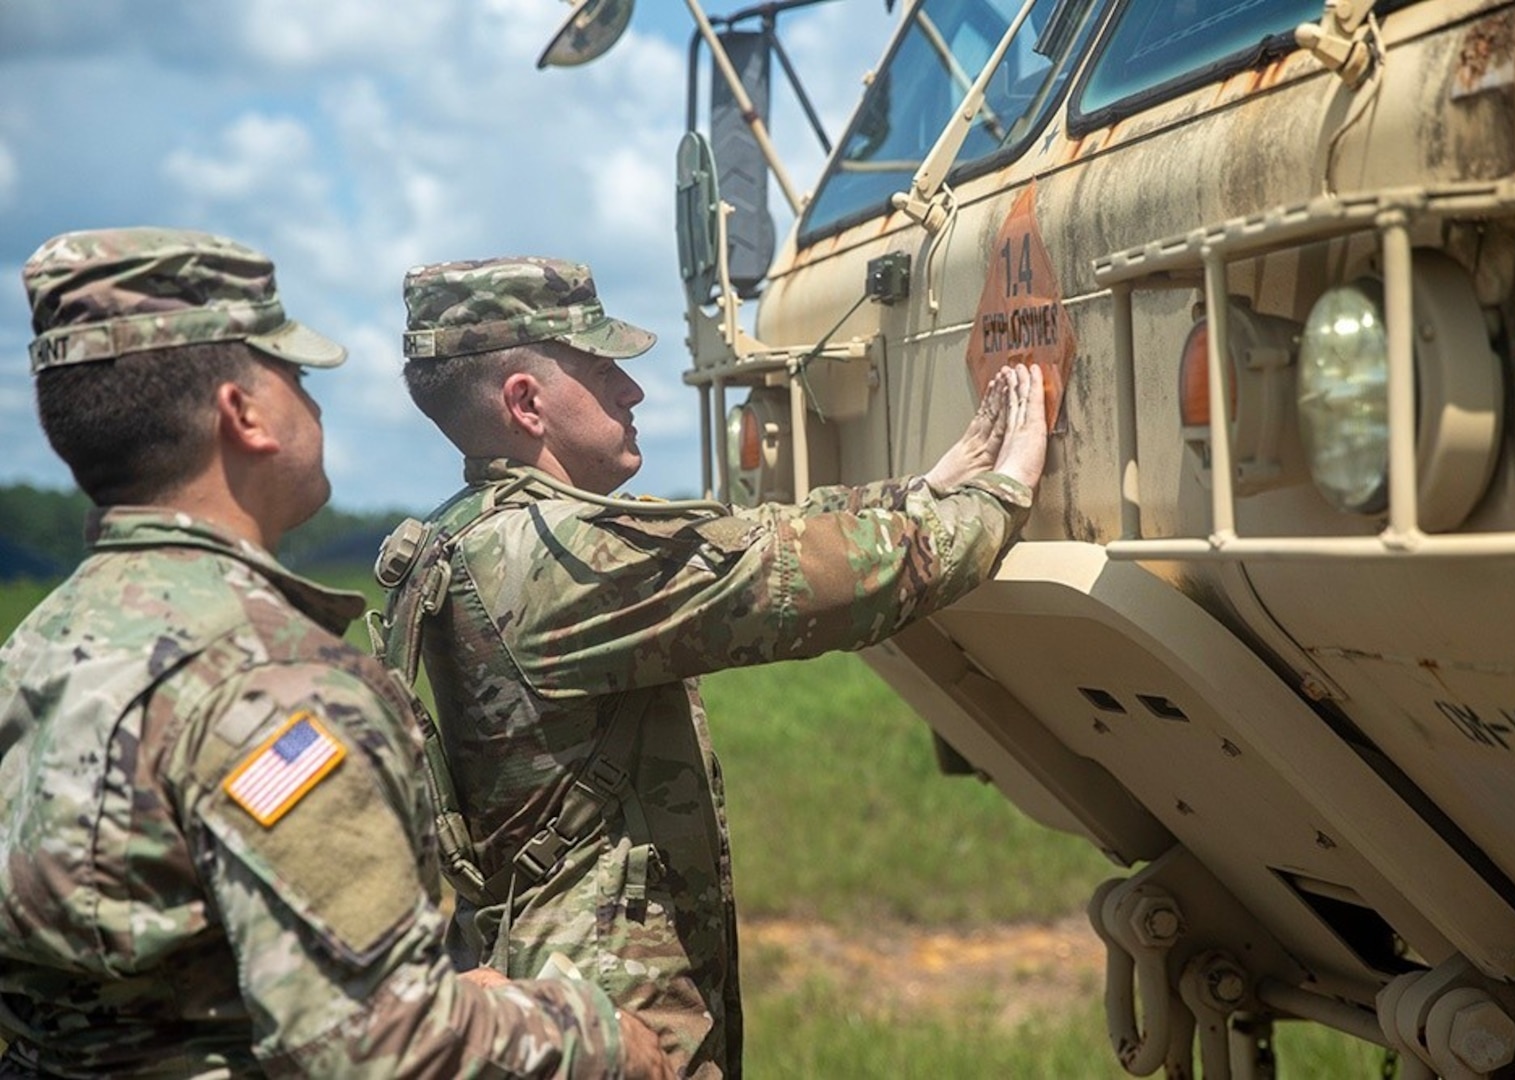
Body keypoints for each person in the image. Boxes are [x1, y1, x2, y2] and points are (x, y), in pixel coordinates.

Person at [0, 228, 672, 1079]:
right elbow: (373, 1043)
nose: (313, 405)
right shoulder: (276, 689)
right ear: (244, 416)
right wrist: (599, 1038)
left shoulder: (37, 648)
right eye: (297, 376)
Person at [377, 255, 1048, 1078]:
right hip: (606, 1012)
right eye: (600, 369)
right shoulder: (555, 560)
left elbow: (736, 541)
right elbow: (790, 581)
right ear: (526, 403)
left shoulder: (472, 535)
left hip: (549, 978)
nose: (633, 392)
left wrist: (918, 489)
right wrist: (997, 499)